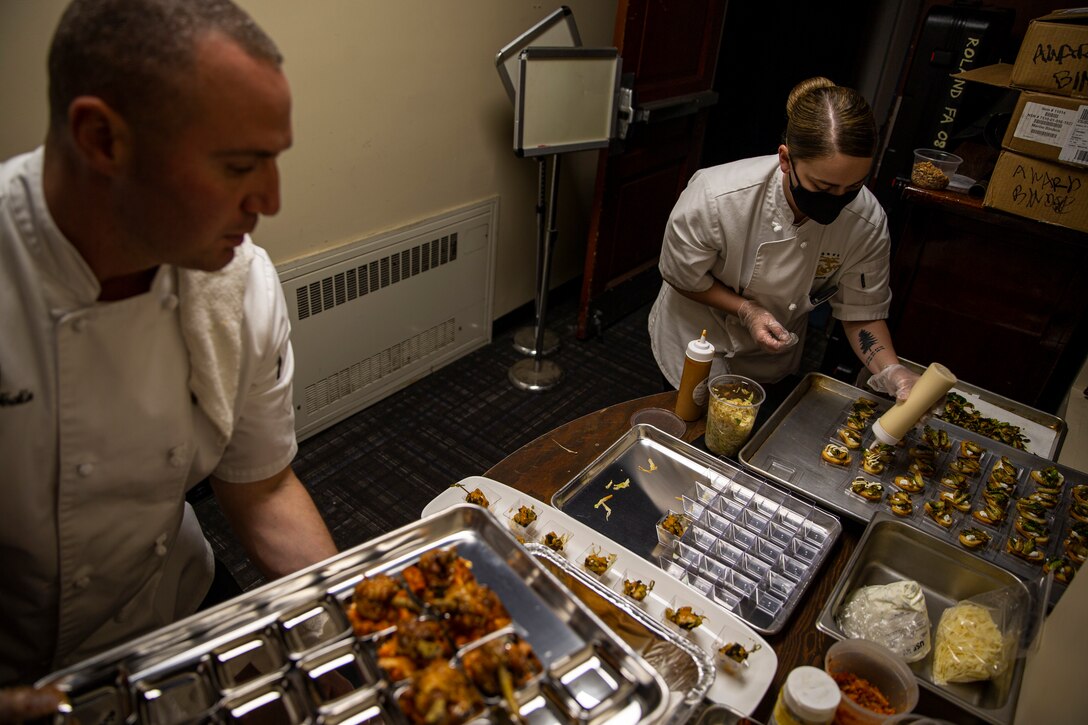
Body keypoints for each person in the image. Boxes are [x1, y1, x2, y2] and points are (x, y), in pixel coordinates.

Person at [0, 0, 339, 708]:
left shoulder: (237, 283)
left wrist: (351, 623)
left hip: (171, 616)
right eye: (241, 165)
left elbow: (264, 485)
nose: (270, 201)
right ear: (102, 139)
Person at [648, 77, 919, 405]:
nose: (837, 199)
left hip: (770, 357)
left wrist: (890, 370)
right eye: (822, 186)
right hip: (696, 340)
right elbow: (681, 275)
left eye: (852, 188)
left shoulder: (867, 223)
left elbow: (861, 310)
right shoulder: (717, 196)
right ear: (786, 159)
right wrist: (747, 310)